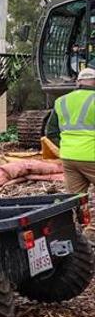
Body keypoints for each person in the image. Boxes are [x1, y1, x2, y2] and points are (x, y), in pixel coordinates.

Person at [54, 67, 95, 237]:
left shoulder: (61, 101)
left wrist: (66, 146)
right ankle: (91, 234)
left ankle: (81, 236)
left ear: (78, 81)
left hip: (69, 157)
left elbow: (50, 132)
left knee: (78, 201)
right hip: (92, 155)